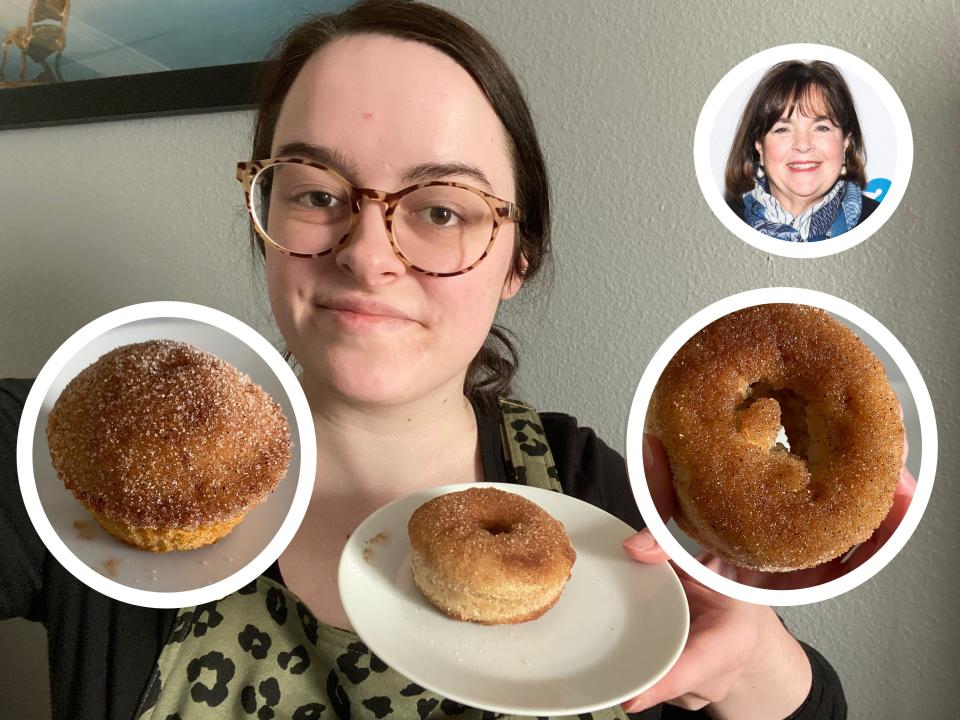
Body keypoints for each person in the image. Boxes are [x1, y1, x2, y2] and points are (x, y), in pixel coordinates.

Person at [0, 2, 854, 718]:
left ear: (518, 257)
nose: (368, 254)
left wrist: (751, 667)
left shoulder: (608, 504)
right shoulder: (103, 467)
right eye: (318, 193)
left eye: (442, 210)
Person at [724, 60, 879, 242]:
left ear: (846, 141)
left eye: (821, 128)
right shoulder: (721, 224)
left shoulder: (883, 223)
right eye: (783, 129)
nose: (803, 145)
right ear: (759, 145)